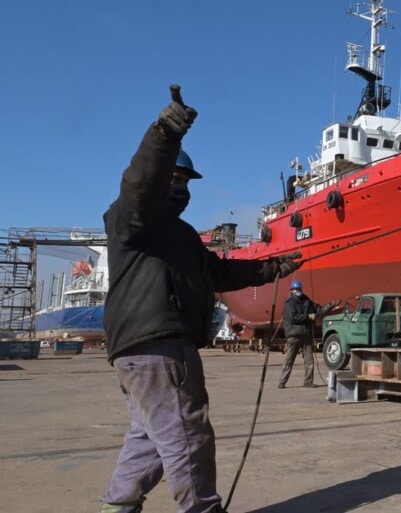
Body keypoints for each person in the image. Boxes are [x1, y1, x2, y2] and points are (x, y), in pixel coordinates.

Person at [100, 86, 303, 513]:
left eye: (185, 181)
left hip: (141, 353)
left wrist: (270, 268)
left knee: (149, 439)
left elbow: (220, 272)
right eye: (174, 179)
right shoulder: (131, 217)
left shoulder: (182, 236)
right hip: (159, 348)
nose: (181, 188)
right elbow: (141, 183)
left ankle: (116, 508)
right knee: (187, 437)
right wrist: (164, 134)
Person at [278, 280, 321, 388]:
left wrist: (331, 306)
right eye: (296, 289)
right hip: (294, 335)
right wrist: (308, 317)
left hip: (306, 335)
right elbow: (293, 317)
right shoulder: (289, 303)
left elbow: (317, 309)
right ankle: (282, 382)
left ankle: (308, 382)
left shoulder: (306, 300)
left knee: (309, 361)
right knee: (289, 360)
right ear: (292, 291)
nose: (299, 291)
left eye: (300, 289)